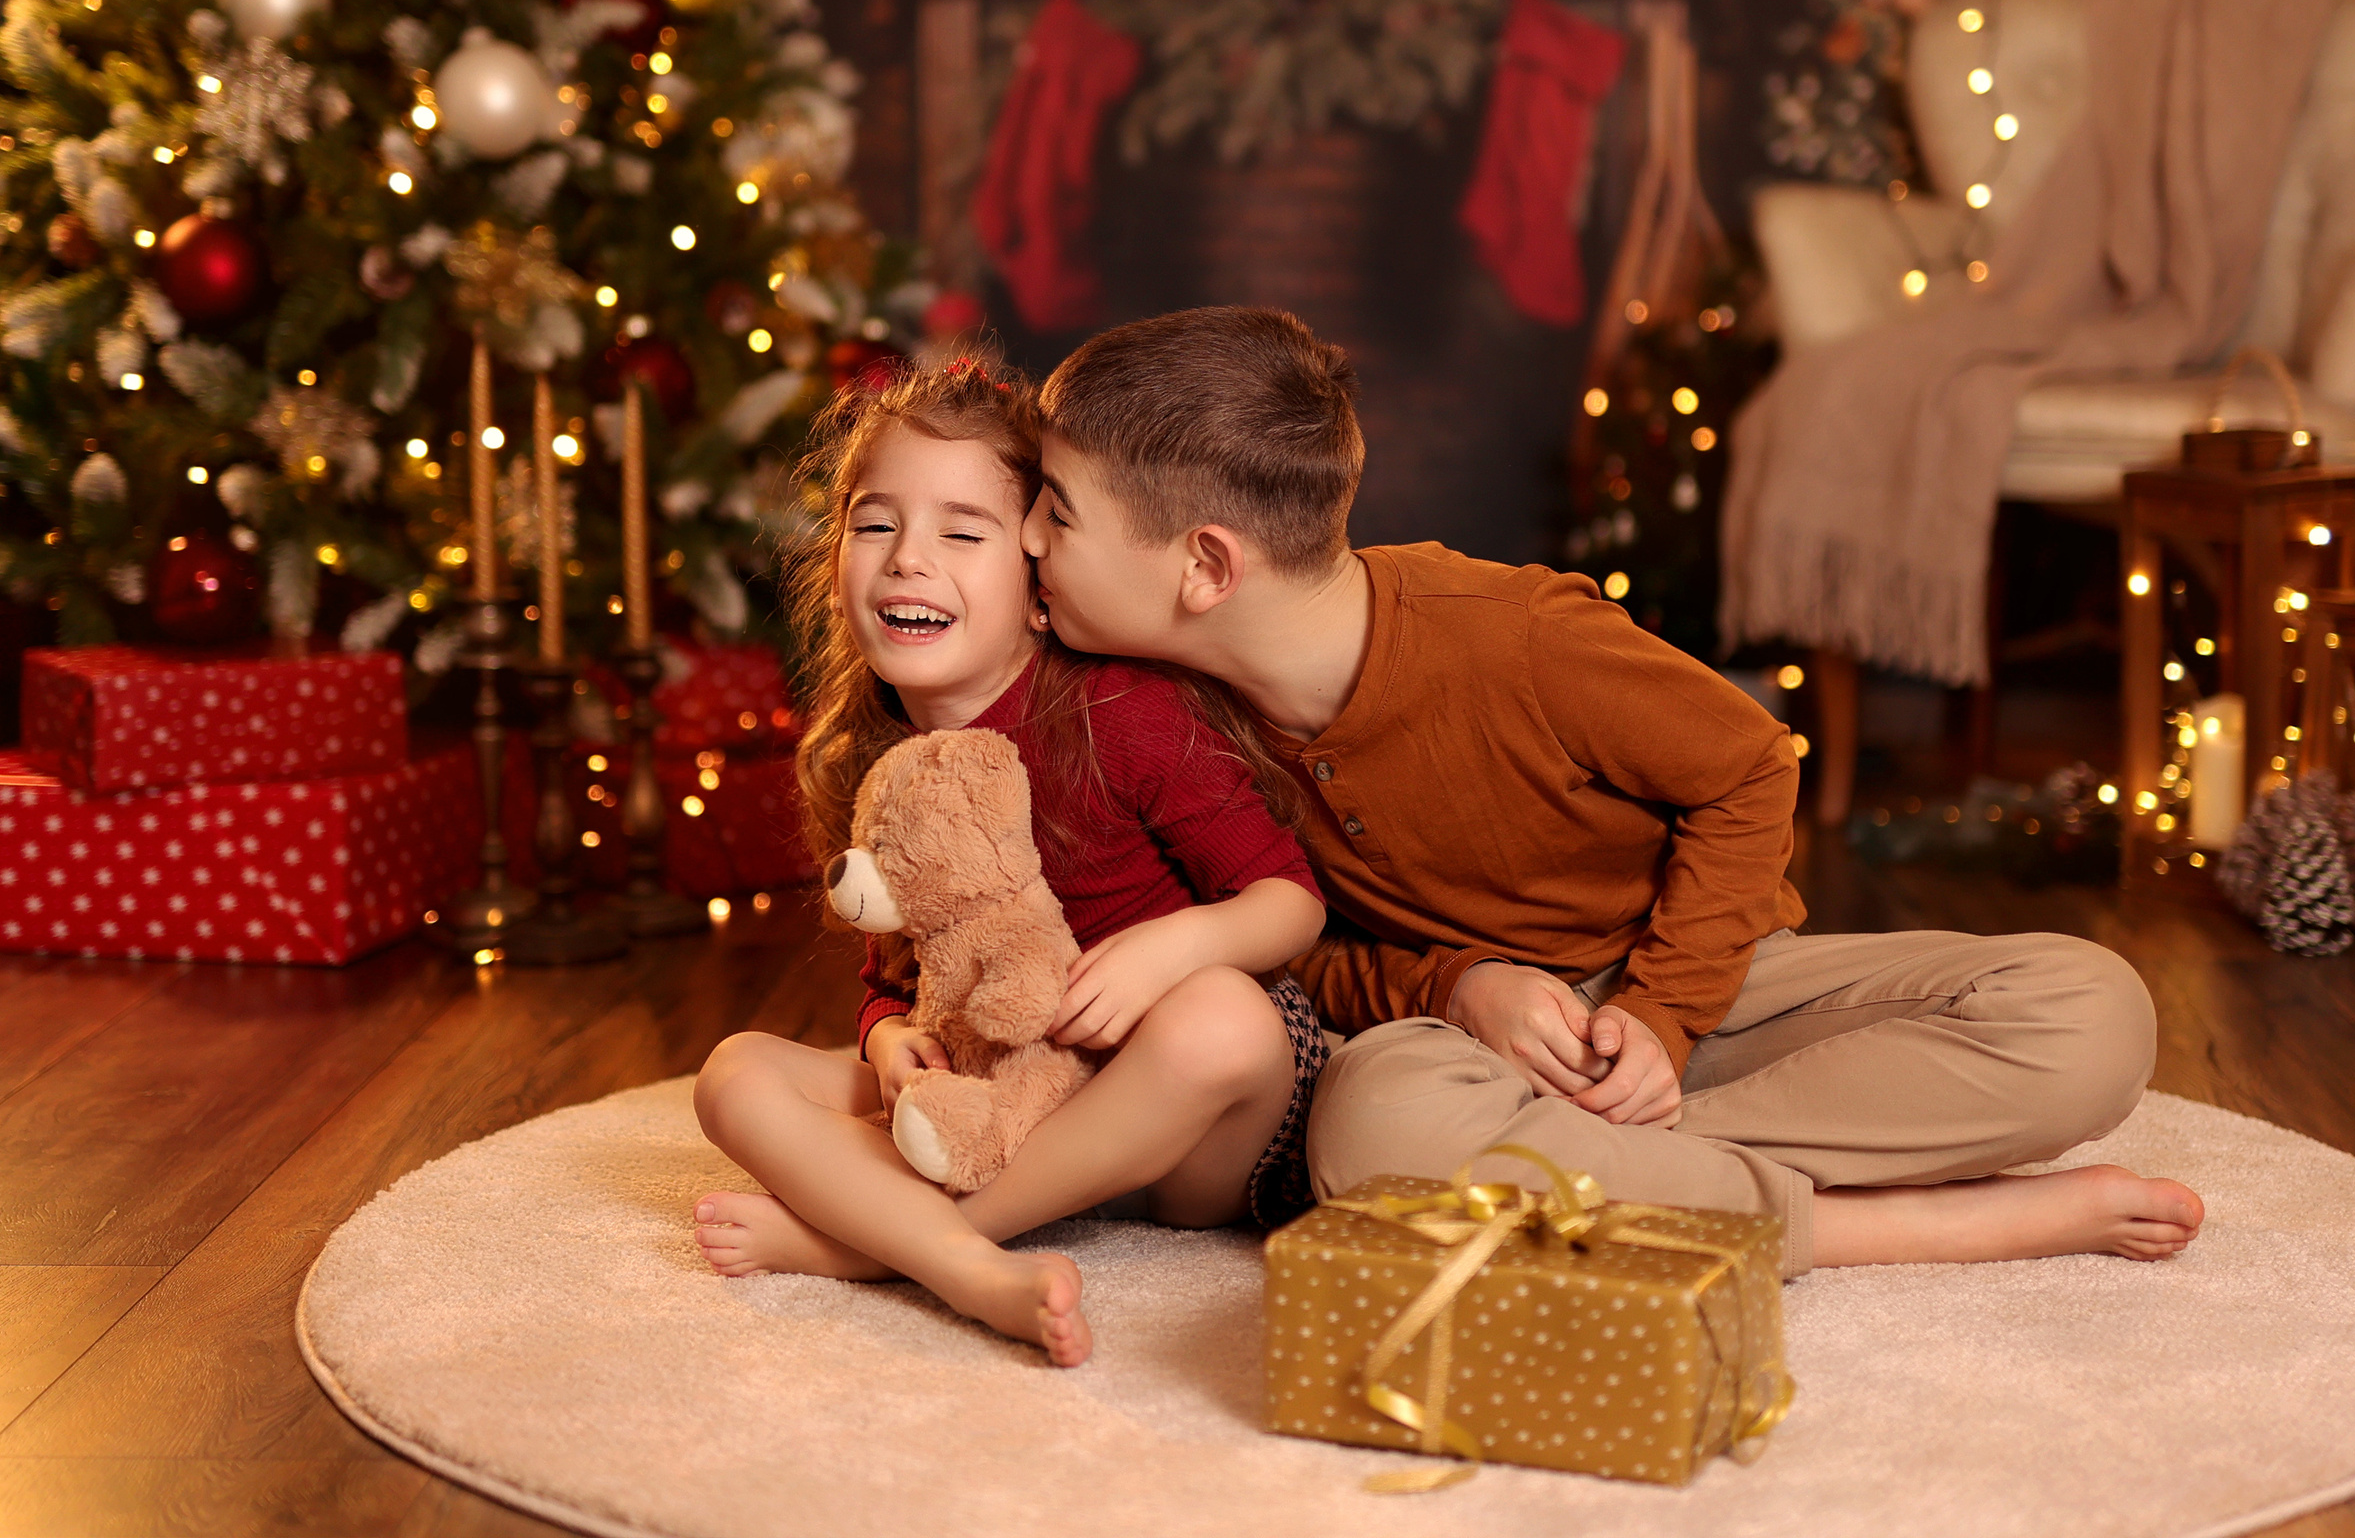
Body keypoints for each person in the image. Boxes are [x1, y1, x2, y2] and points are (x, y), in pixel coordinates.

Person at [1020, 305, 2206, 1280]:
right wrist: (1463, 987)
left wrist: (1663, 1015)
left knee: (2090, 1014)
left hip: (1712, 1004)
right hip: (1455, 1049)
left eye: (1056, 512)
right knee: (1372, 1128)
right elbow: (1283, 961)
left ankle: (1612, 1171)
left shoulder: (1518, 636)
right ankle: (1896, 1226)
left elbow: (1750, 769)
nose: (1025, 539)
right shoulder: (1154, 712)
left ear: (1205, 565)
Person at [690, 360, 1326, 1366]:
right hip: (1004, 1094)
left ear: (1038, 589)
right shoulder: (871, 753)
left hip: (1183, 1130)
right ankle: (957, 1257)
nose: (906, 559)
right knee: (735, 1077)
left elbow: (1287, 901)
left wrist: (1174, 950)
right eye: (873, 523)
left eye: (960, 531)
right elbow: (895, 978)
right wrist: (890, 1040)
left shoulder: (1122, 714)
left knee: (1227, 1022)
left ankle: (892, 1250)